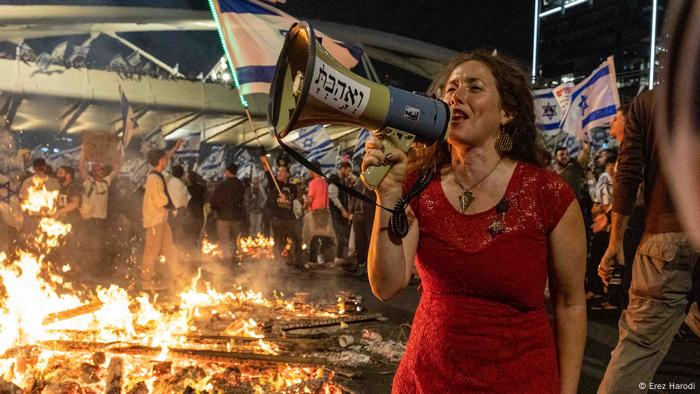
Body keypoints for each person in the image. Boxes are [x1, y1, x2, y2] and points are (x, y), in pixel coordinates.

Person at [362, 50, 586, 393]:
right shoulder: (418, 186)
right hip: (427, 382)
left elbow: (570, 304)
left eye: (474, 87)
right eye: (450, 88)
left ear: (507, 113)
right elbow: (387, 285)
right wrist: (388, 195)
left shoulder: (548, 194)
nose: (455, 95)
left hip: (521, 383)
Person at [597, 90, 699, 393]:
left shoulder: (649, 101)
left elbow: (627, 174)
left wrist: (614, 242)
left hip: (665, 235)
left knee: (637, 349)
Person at [141, 148, 184, 292]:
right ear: (160, 160)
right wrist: (172, 207)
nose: (167, 160)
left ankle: (178, 276)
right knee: (151, 251)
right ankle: (146, 282)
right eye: (165, 158)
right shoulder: (153, 178)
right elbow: (160, 199)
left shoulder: (157, 175)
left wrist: (175, 147)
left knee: (169, 249)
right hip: (155, 220)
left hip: (161, 219)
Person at [262, 161, 302, 267]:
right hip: (278, 218)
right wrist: (264, 160)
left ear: (288, 174)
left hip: (289, 218)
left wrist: (287, 197)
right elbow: (267, 171)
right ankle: (278, 262)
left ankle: (296, 260)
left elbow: (297, 195)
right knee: (279, 241)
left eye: (282, 171)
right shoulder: (274, 184)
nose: (279, 173)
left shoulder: (292, 187)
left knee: (296, 239)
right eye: (278, 171)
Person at [209, 163, 246, 262]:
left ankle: (227, 259)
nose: (224, 173)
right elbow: (243, 200)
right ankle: (233, 256)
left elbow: (213, 201)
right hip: (236, 217)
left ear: (228, 172)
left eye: (225, 171)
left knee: (224, 240)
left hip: (223, 217)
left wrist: (216, 210)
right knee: (234, 239)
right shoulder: (241, 185)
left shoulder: (222, 185)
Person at [303, 161, 335, 266]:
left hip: (316, 212)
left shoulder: (313, 183)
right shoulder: (325, 182)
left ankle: (312, 261)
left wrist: (304, 207)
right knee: (325, 236)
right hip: (325, 212)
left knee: (314, 237)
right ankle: (329, 260)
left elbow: (310, 199)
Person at [328, 162, 352, 265]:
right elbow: (333, 196)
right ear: (342, 169)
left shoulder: (343, 180)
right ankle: (338, 257)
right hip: (336, 213)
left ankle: (341, 257)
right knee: (340, 234)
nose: (349, 173)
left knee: (344, 234)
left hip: (342, 213)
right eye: (348, 170)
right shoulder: (334, 179)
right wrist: (342, 209)